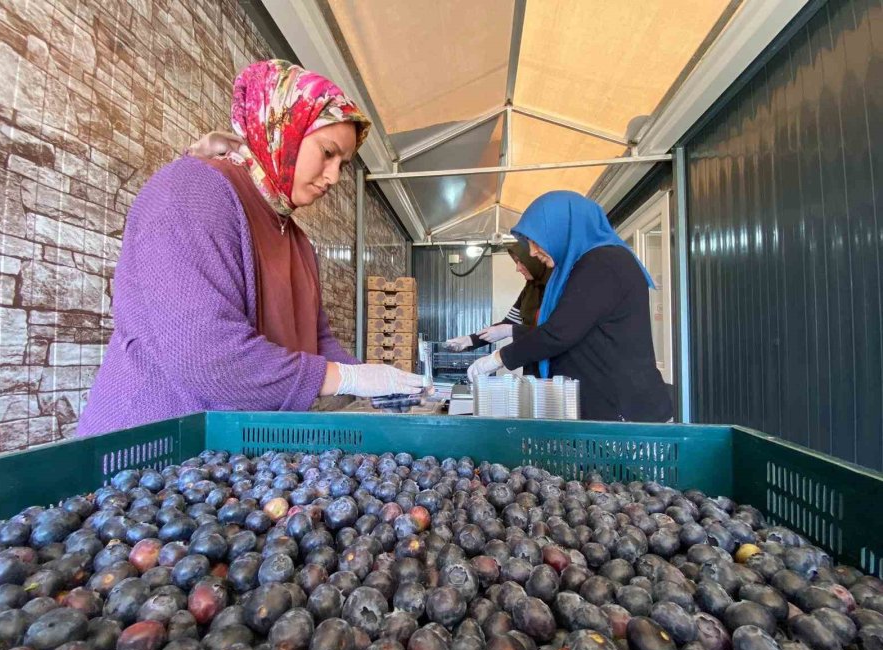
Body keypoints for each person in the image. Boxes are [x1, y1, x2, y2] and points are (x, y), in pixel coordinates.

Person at [78, 60, 423, 436]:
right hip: (159, 447)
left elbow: (316, 339)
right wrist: (344, 378)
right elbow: (206, 354)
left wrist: (370, 382)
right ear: (283, 129)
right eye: (327, 152)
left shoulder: (296, 240)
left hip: (239, 455)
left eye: (343, 162)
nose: (334, 176)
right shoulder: (193, 191)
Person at [466, 191, 672, 423]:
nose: (532, 252)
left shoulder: (604, 263)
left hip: (623, 415)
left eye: (535, 240)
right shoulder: (582, 266)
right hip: (606, 410)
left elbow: (559, 332)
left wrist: (497, 358)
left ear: (561, 228)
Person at [444, 241, 551, 376]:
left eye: (521, 262)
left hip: (554, 367)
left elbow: (553, 333)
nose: (518, 268)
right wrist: (470, 340)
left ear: (534, 260)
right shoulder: (529, 289)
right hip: (531, 364)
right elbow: (509, 322)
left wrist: (509, 332)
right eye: (516, 262)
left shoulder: (556, 289)